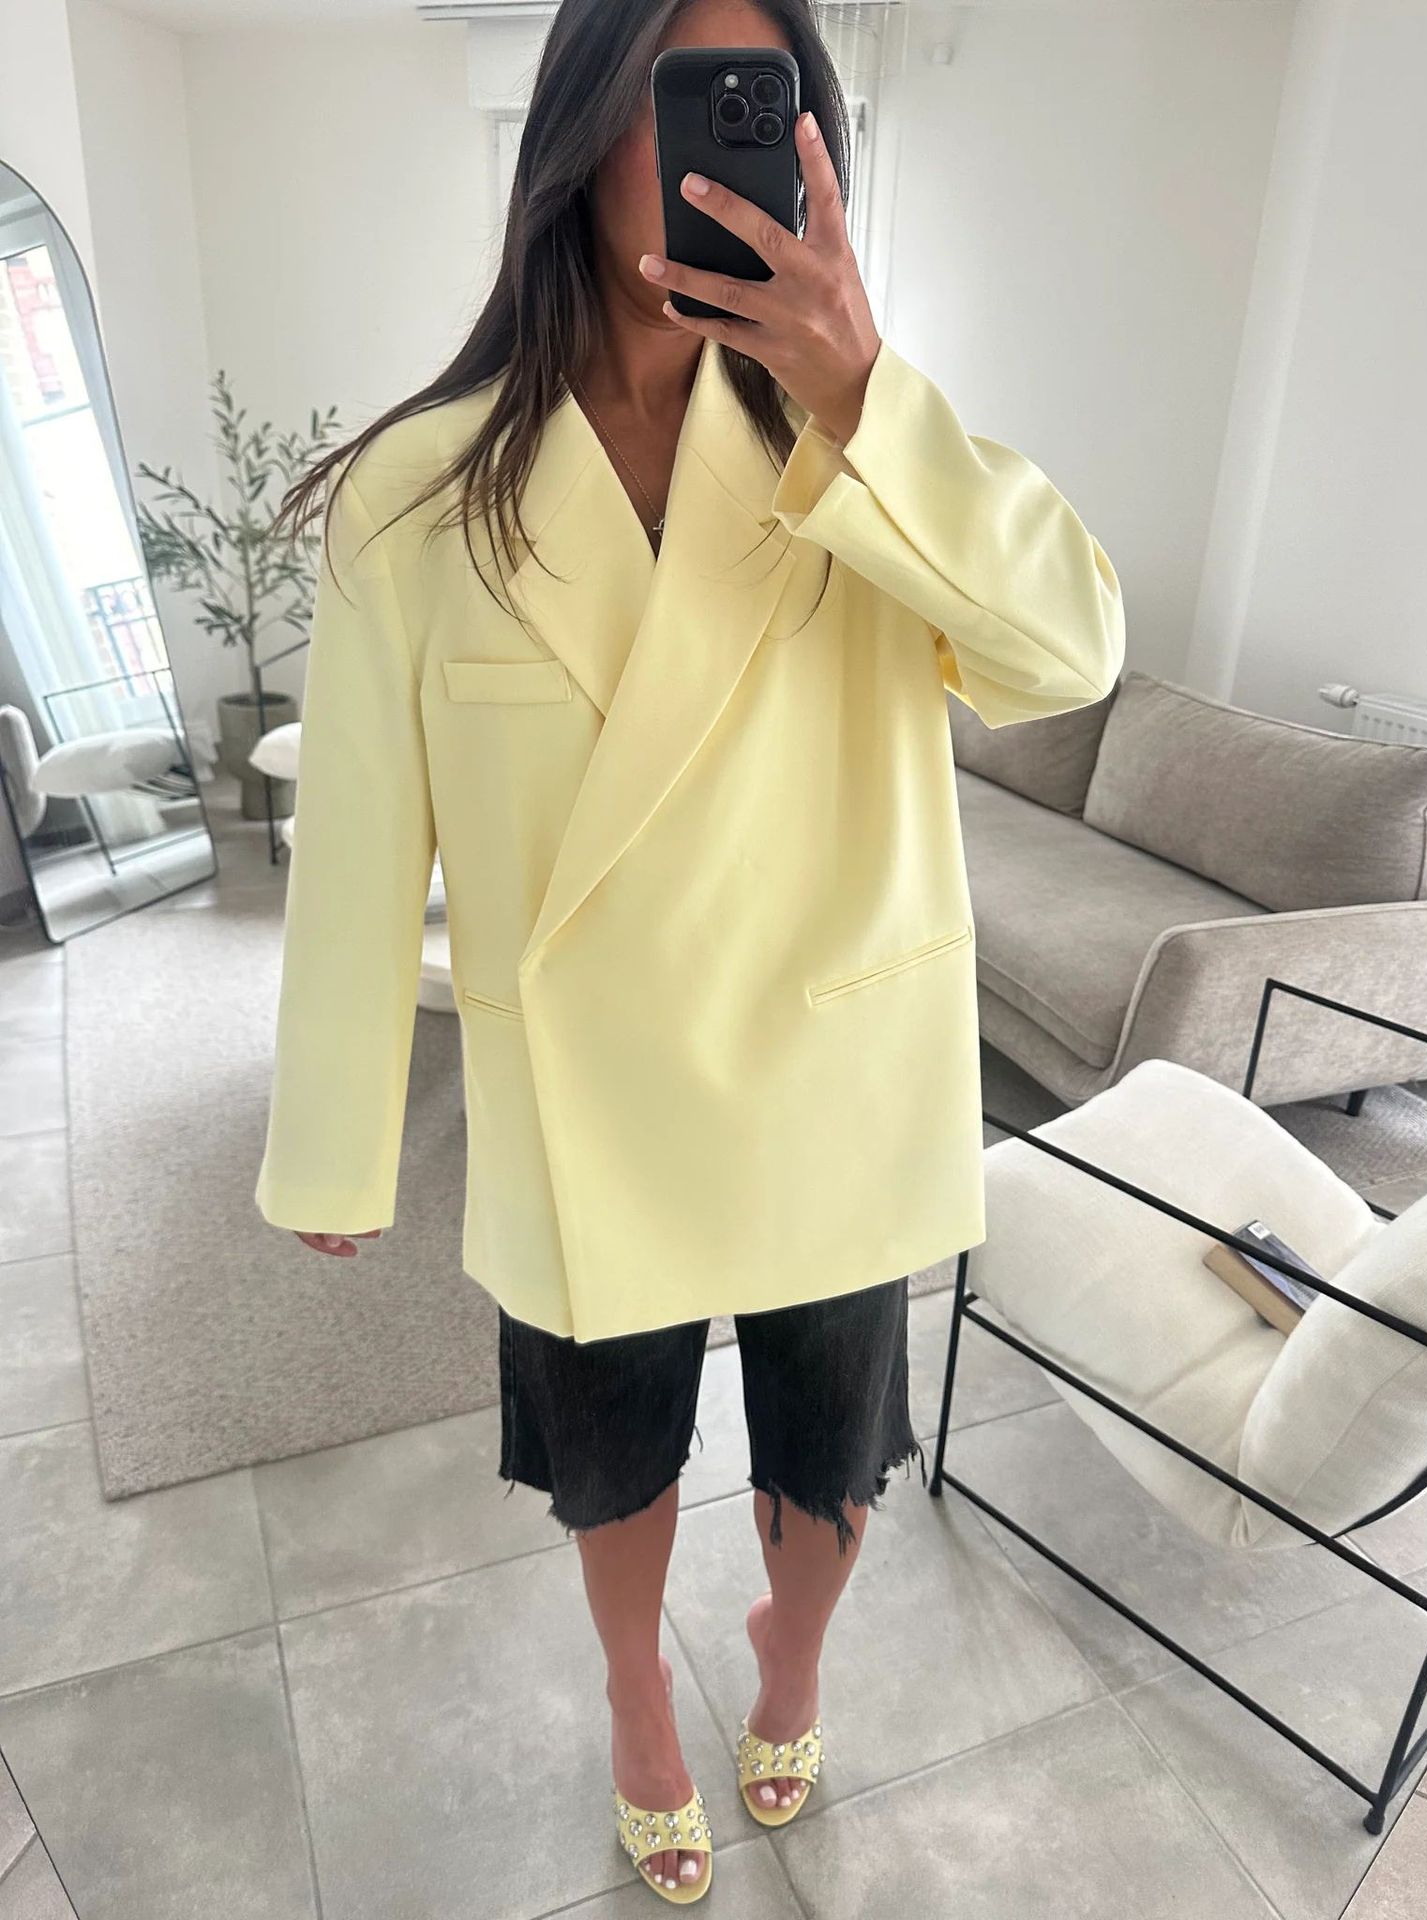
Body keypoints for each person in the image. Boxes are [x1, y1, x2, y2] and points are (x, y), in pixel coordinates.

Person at [255, 0, 1124, 1903]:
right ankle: (640, 1695)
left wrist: (865, 390)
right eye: (684, 94)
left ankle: (786, 1661)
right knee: (614, 1457)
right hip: (594, 1100)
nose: (728, 142)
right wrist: (333, 1134)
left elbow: (1071, 655)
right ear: (584, 134)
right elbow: (364, 843)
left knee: (832, 1452)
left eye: (769, 98)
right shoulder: (422, 492)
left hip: (830, 1066)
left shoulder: (866, 452)